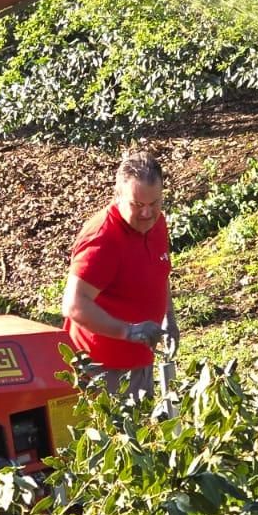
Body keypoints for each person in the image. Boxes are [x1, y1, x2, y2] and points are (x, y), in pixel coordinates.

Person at [61, 150, 179, 398]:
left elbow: (159, 274)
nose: (146, 213)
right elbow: (74, 305)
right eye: (137, 205)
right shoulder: (103, 239)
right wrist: (128, 331)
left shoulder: (157, 224)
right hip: (102, 369)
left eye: (154, 203)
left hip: (140, 358)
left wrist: (169, 317)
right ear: (118, 197)